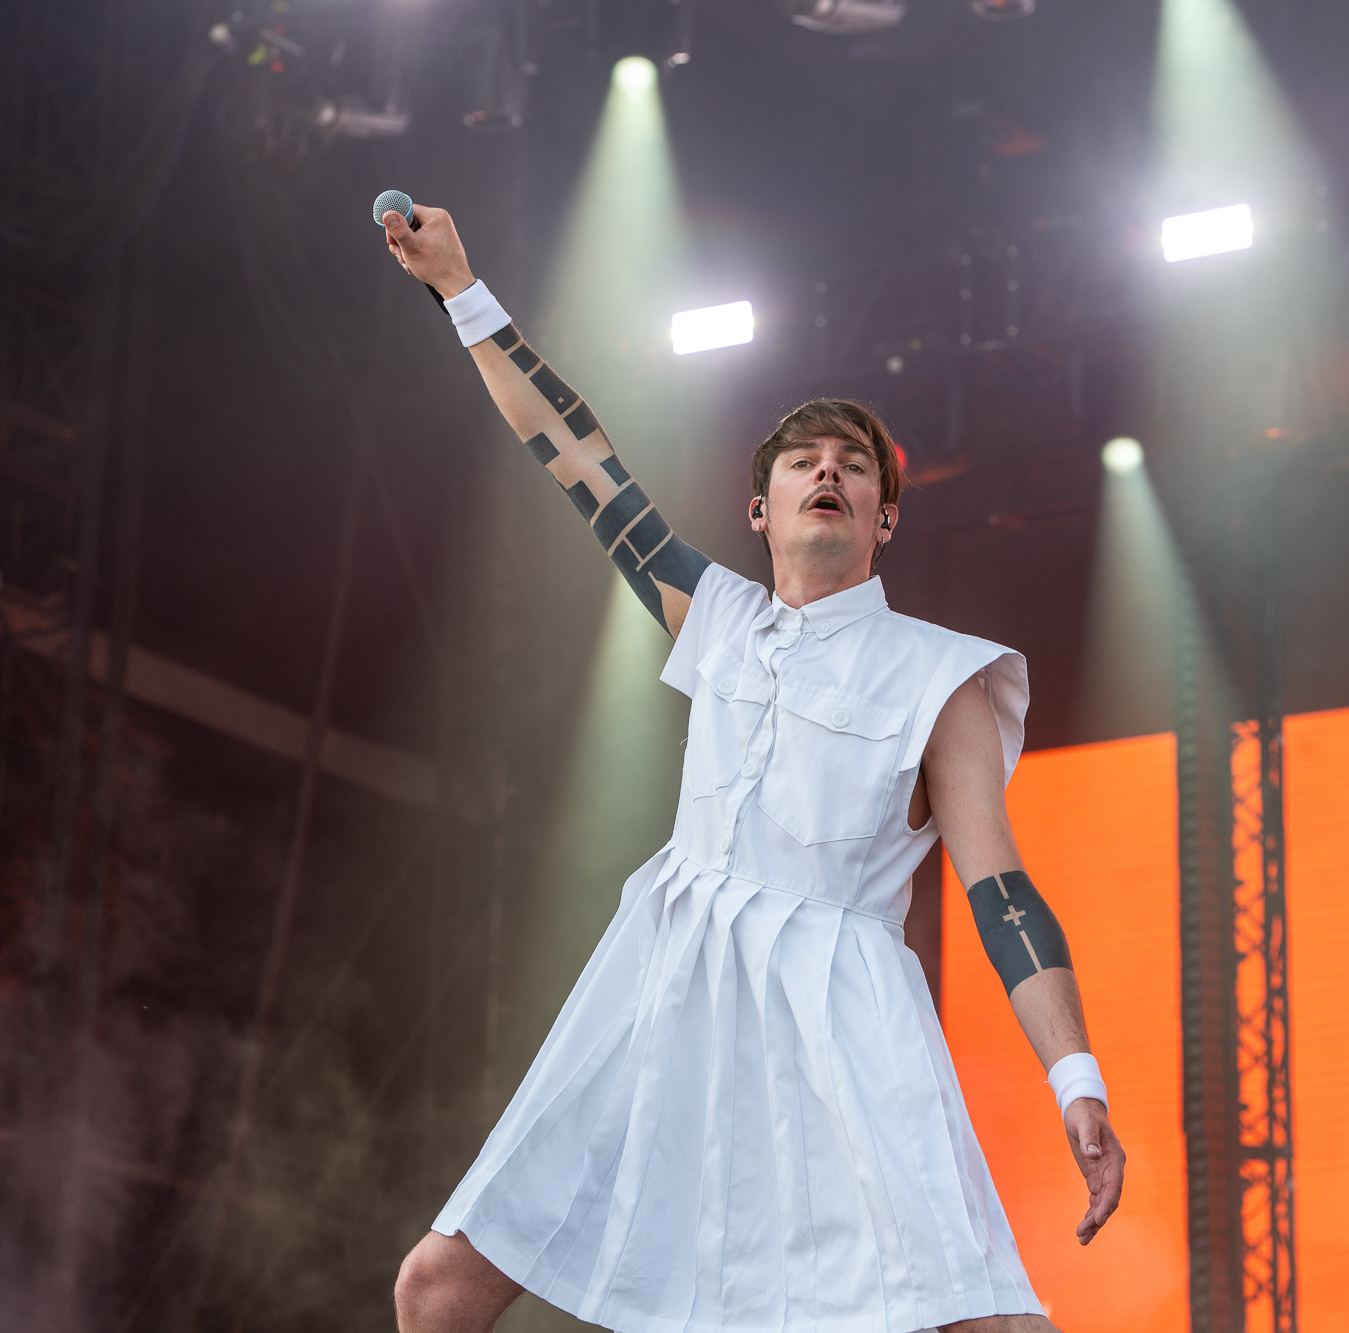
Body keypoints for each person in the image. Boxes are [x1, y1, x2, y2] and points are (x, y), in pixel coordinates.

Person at [382, 204, 1125, 1333]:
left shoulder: (944, 678)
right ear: (760, 509)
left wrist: (1076, 1078)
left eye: (854, 466)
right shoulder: (715, 615)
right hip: (669, 990)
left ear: (883, 518)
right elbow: (574, 453)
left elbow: (1003, 893)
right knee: (435, 1287)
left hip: (845, 1022)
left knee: (983, 1324)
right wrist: (460, 288)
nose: (828, 471)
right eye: (802, 461)